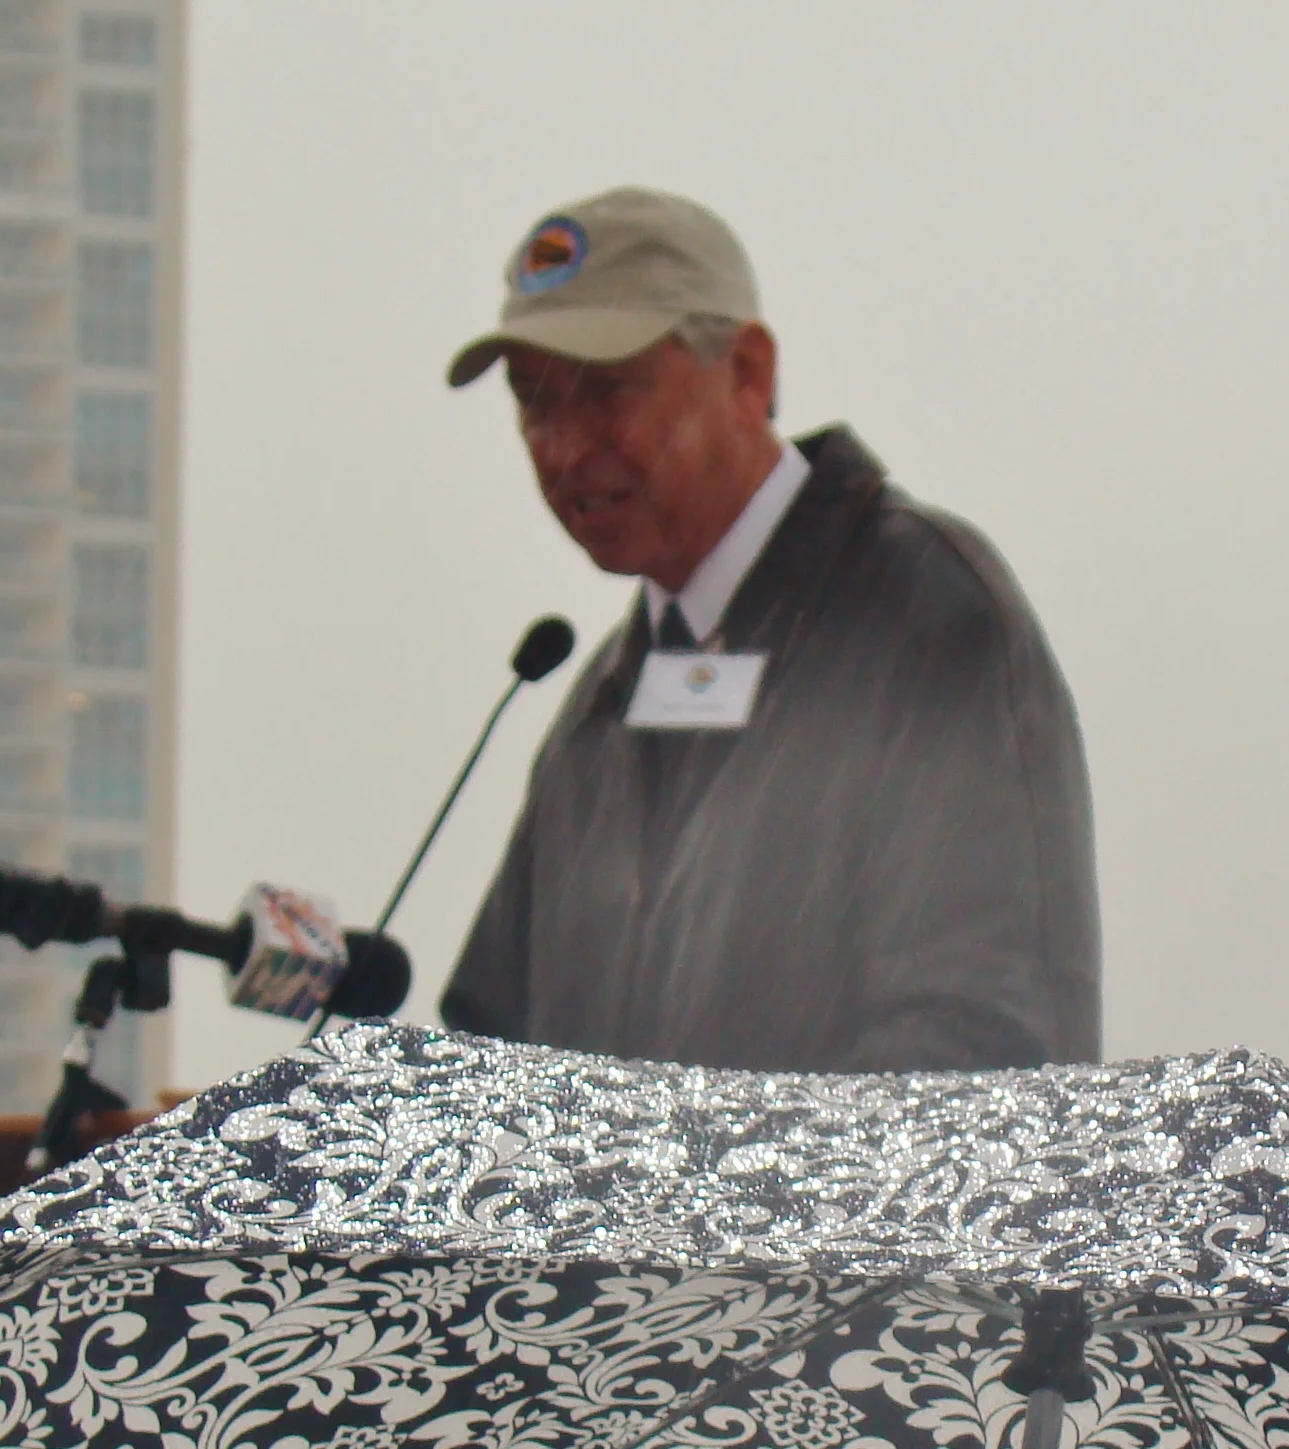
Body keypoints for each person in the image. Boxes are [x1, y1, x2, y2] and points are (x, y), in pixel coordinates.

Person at [439, 186, 1100, 1073]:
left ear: (747, 373)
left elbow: (979, 1052)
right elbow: (488, 1065)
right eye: (534, 401)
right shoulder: (597, 710)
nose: (561, 449)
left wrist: (703, 1201)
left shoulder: (923, 620)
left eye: (604, 394)